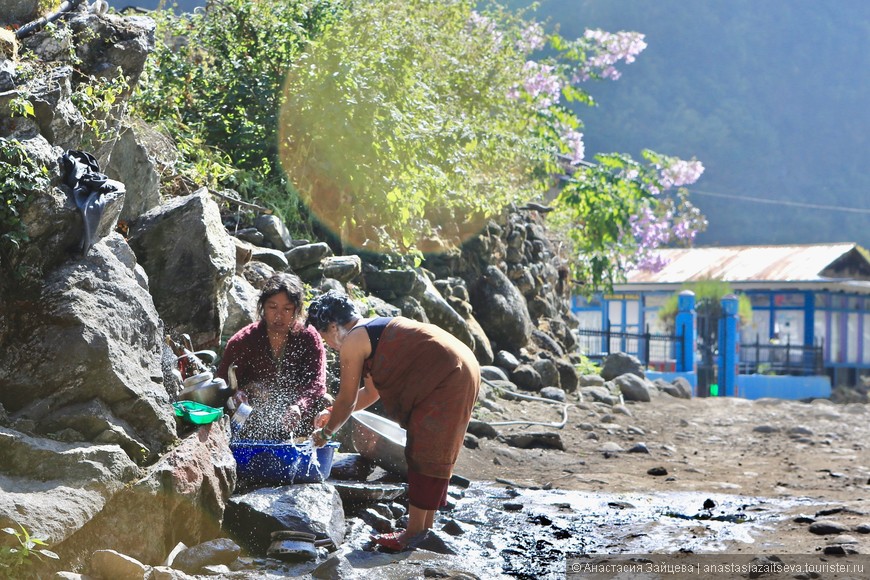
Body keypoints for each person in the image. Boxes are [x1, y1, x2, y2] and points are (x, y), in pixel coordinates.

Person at [306, 290, 480, 550]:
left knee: (425, 449)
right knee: (434, 448)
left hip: (448, 372)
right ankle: (423, 531)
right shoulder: (369, 331)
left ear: (333, 327)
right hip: (463, 365)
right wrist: (332, 413)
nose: (328, 344)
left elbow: (348, 399)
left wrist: (326, 433)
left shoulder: (353, 340)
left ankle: (411, 534)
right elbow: (371, 393)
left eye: (323, 336)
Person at [216, 273, 327, 440]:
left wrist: (299, 406)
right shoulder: (244, 341)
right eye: (272, 307)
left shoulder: (308, 338)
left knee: (325, 401)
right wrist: (239, 393)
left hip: (296, 415)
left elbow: (317, 383)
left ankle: (310, 448)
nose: (279, 316)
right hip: (253, 415)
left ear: (297, 310)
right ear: (263, 307)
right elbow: (223, 382)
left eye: (287, 309)